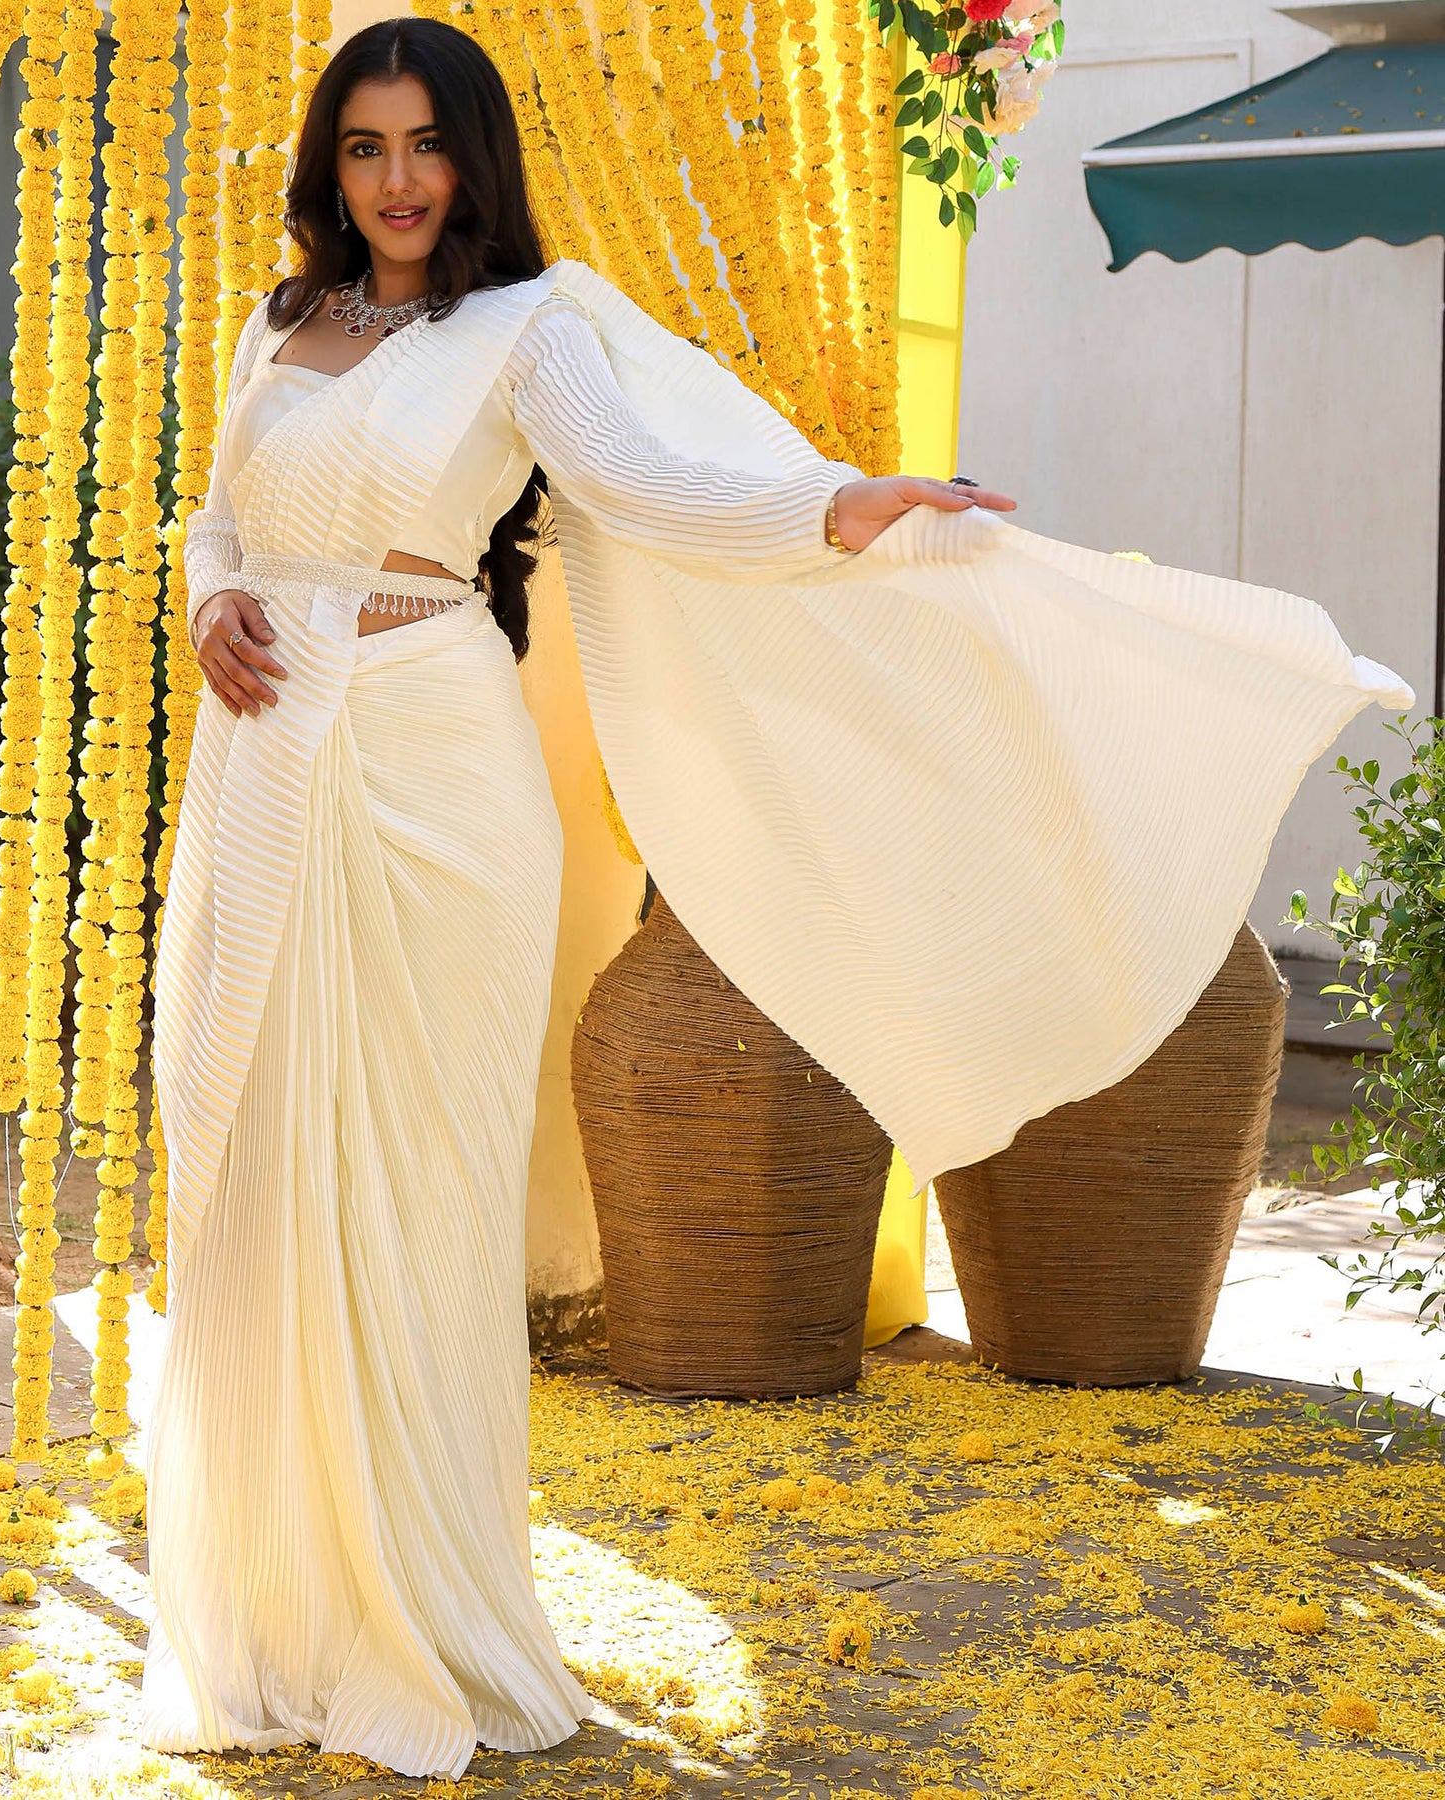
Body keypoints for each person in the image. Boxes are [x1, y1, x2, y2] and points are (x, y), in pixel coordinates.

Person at [140, 15, 1410, 1781]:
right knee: (253, 1153)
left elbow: (653, 489)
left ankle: (423, 1622)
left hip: (437, 770)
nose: (401, 179)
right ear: (329, 165)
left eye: (429, 144)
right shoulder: (275, 325)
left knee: (423, 1191)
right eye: (366, 146)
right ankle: (278, 1615)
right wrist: (208, 607)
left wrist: (838, 504)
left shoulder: (530, 329)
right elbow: (215, 522)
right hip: (266, 774)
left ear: (476, 157)